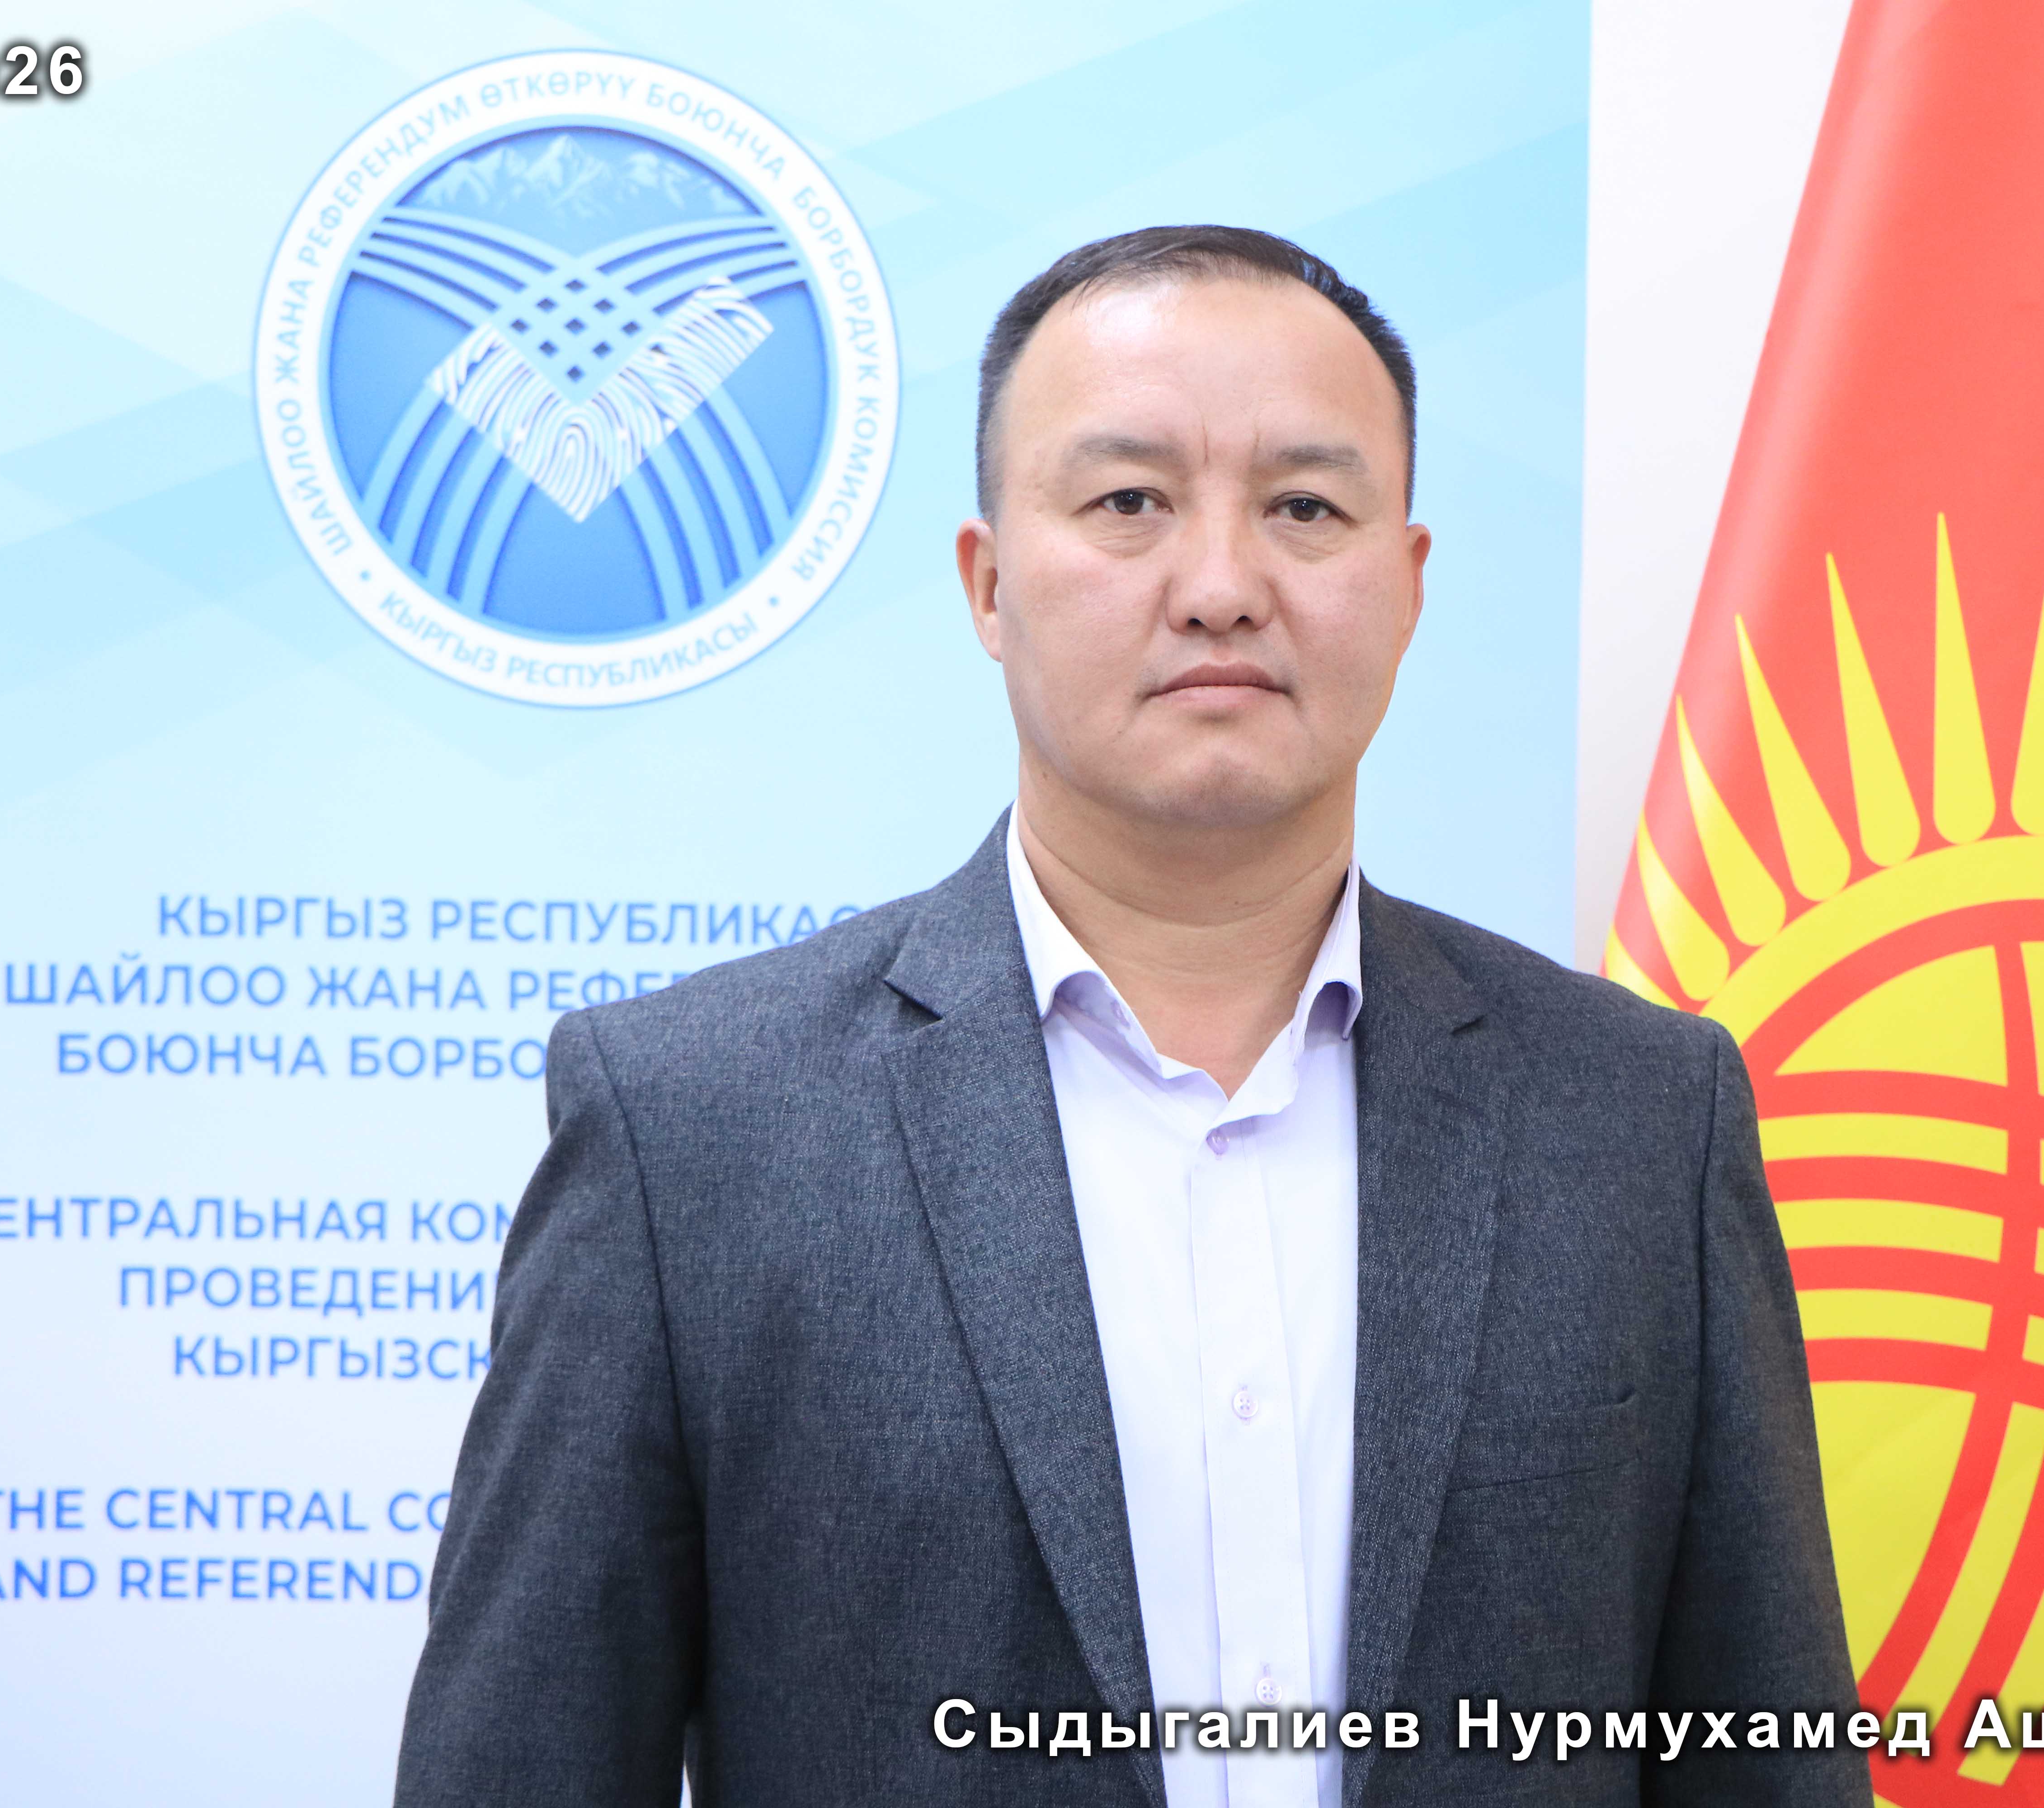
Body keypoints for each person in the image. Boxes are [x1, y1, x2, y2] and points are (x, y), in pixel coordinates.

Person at [393, 225, 1865, 1808]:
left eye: (1306, 508)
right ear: (989, 584)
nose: (1222, 588)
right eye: (1128, 504)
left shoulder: (1640, 1119)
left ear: (1409, 583)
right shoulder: (692, 1133)